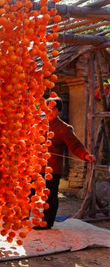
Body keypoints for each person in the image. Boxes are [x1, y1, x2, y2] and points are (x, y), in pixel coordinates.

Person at [37, 97, 95, 230]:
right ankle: (24, 219)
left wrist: (86, 155)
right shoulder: (38, 125)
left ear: (59, 111)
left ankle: (47, 222)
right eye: (48, 109)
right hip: (34, 166)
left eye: (53, 109)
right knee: (29, 193)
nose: (50, 112)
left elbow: (75, 146)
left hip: (52, 169)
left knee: (50, 196)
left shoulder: (64, 129)